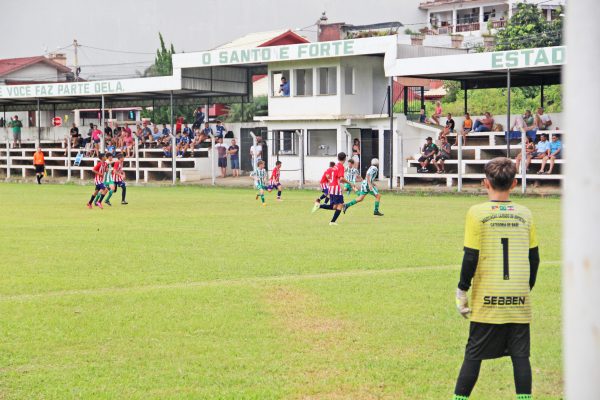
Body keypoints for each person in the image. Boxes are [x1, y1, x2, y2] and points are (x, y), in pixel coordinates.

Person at [453, 157, 539, 400]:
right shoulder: (526, 214)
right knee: (521, 356)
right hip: (519, 298)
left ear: (485, 183)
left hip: (488, 297)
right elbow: (535, 259)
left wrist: (462, 291)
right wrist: (525, 288)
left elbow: (470, 256)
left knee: (473, 354)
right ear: (514, 184)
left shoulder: (477, 213)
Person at [313, 152, 350, 226]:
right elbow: (341, 178)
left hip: (331, 187)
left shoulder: (335, 166)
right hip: (336, 188)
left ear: (338, 158)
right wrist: (350, 183)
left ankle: (319, 206)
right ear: (345, 159)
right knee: (340, 205)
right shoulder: (341, 166)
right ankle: (332, 222)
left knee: (334, 207)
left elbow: (332, 176)